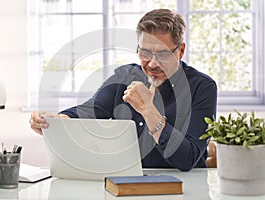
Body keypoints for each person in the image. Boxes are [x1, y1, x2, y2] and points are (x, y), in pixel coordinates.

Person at [29, 9, 217, 171]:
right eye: (145, 53)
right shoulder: (124, 78)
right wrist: (55, 122)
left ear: (180, 51)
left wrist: (148, 110)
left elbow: (187, 159)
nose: (152, 63)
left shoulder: (202, 87)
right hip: (130, 184)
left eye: (162, 54)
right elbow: (89, 111)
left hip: (187, 188)